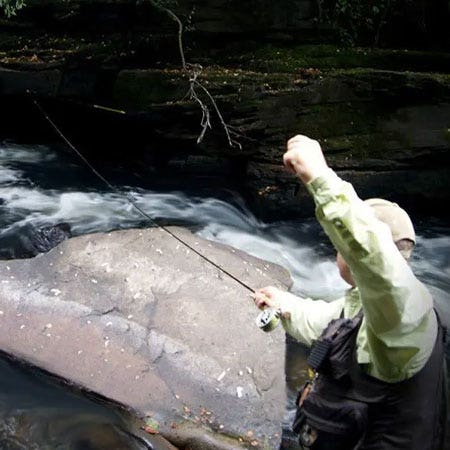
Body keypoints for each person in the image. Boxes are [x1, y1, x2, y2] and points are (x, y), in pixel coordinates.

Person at [253, 135, 447, 450]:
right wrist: (284, 305)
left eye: (343, 244)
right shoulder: (374, 307)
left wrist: (319, 177)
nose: (337, 248)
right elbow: (330, 324)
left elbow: (371, 254)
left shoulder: (404, 317)